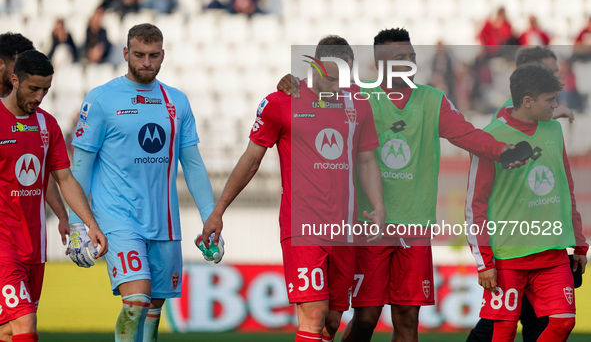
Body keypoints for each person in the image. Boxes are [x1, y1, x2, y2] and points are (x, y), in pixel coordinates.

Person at [277, 28, 522, 342]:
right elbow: (316, 91)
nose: (408, 63)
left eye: (411, 57)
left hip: (414, 228)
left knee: (407, 321)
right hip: (370, 228)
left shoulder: (433, 100)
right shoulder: (357, 96)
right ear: (380, 65)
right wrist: (291, 83)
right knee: (365, 319)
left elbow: (467, 134)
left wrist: (502, 151)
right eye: (399, 58)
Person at [202, 35, 386, 342]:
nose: (336, 85)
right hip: (303, 227)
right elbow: (251, 160)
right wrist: (218, 211)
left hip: (345, 231)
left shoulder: (358, 104)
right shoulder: (281, 102)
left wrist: (378, 206)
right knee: (313, 316)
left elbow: (366, 160)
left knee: (330, 322)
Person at [66, 23, 217, 342]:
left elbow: (192, 164)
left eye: (153, 55)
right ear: (125, 54)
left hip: (164, 222)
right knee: (137, 299)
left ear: (163, 55)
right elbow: (79, 167)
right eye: (139, 55)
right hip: (117, 219)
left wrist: (210, 218)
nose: (146, 62)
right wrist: (78, 223)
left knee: (152, 309)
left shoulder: (177, 101)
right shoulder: (102, 99)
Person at [465, 63, 588, 341]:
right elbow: (476, 205)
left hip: (552, 252)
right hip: (508, 255)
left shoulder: (554, 130)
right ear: (528, 101)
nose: (556, 105)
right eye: (550, 99)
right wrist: (484, 262)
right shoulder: (489, 138)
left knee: (564, 322)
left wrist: (579, 241)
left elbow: (566, 187)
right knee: (503, 333)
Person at [0, 50, 107, 342]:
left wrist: (86, 223)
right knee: (26, 323)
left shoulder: (47, 125)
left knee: (10, 329)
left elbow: (63, 178)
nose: (39, 96)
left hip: (34, 246)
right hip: (3, 246)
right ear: (14, 80)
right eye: (33, 88)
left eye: (45, 90)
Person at [0, 31, 71, 252]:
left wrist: (61, 213)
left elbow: (38, 169)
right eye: (19, 63)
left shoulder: (35, 117)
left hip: (27, 240)